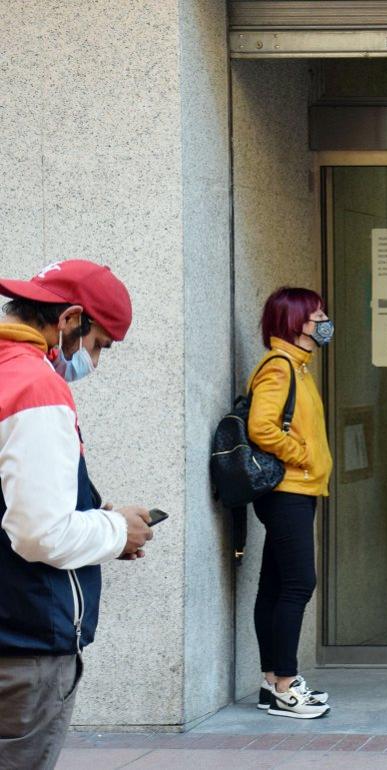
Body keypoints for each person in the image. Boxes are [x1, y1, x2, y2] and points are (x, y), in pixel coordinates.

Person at [0, 260, 152, 769]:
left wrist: (91, 513)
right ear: (69, 320)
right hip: (23, 641)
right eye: (99, 345)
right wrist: (115, 530)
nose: (95, 361)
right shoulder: (35, 386)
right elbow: (40, 535)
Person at [249, 287, 333, 719]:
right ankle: (285, 683)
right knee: (300, 583)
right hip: (288, 492)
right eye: (317, 315)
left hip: (298, 491)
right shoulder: (280, 367)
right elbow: (261, 427)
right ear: (295, 321)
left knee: (277, 585)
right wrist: (301, 456)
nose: (323, 321)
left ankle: (270, 683)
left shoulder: (298, 367)